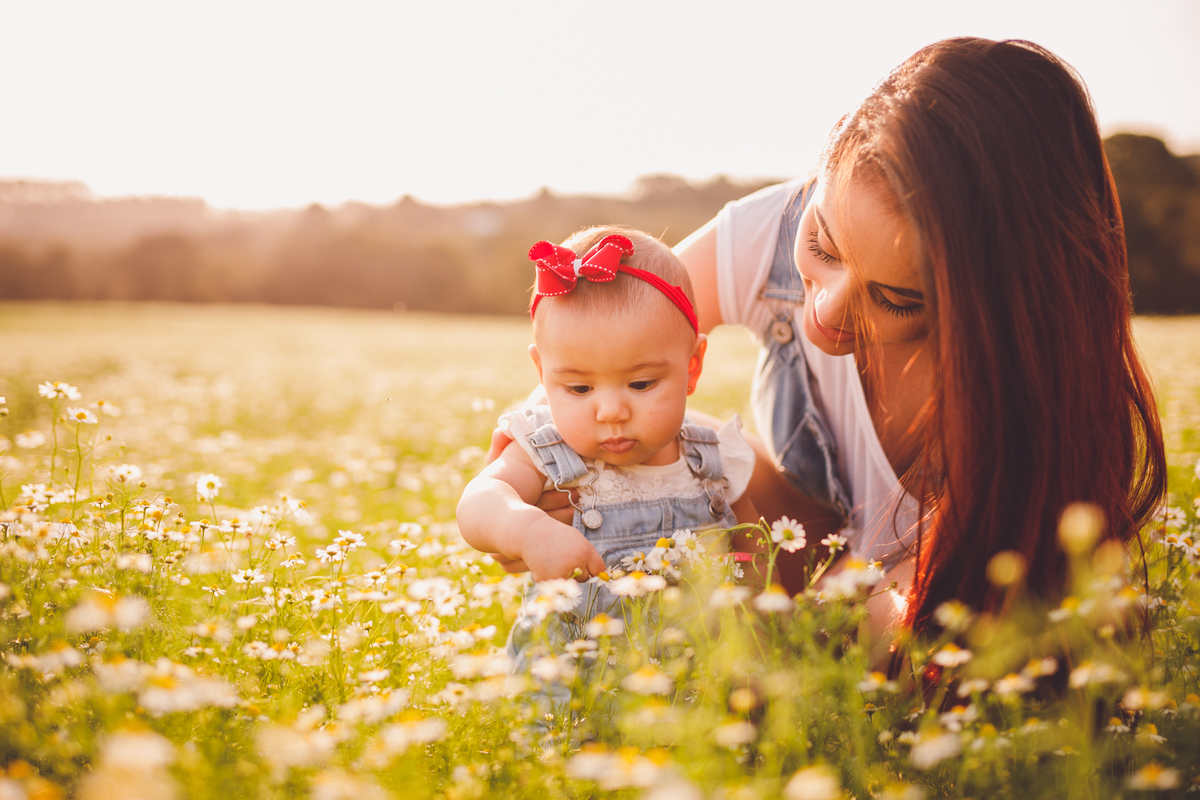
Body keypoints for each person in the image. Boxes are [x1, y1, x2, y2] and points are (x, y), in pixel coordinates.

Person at [490, 37, 1167, 639]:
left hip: (902, 616)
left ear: (994, 303)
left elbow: (948, 639)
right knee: (680, 432)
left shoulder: (1040, 404)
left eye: (898, 298)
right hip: (774, 574)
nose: (829, 310)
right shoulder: (768, 225)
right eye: (821, 243)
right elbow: (601, 341)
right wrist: (530, 487)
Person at [456, 227, 759, 635]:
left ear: (692, 366)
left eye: (640, 384)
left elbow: (757, 554)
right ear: (542, 375)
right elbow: (478, 502)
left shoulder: (714, 459)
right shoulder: (548, 448)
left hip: (699, 683)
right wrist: (527, 530)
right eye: (580, 388)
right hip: (577, 684)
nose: (612, 412)